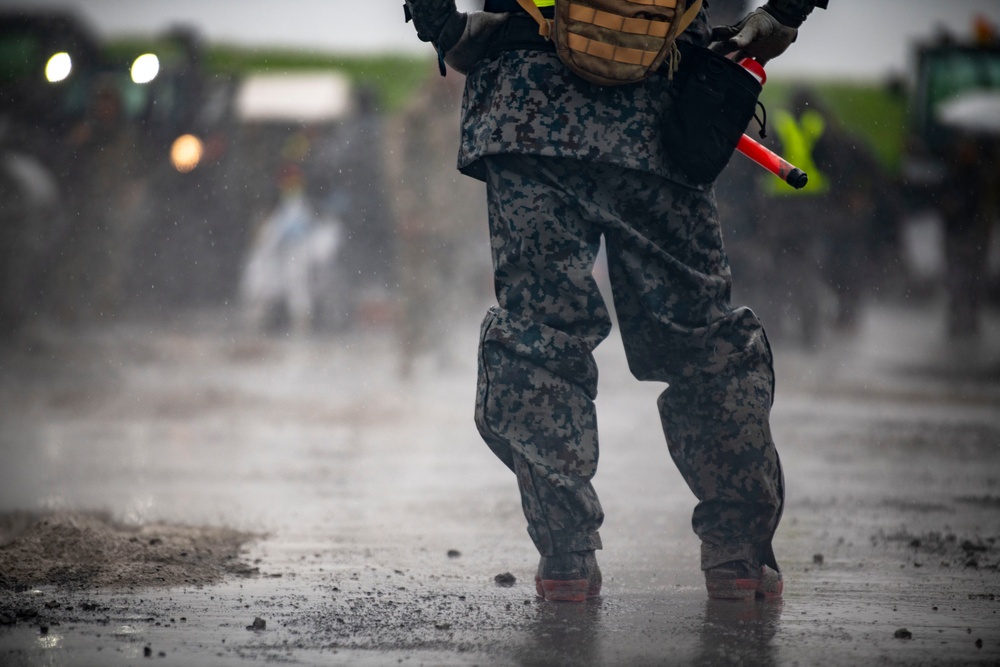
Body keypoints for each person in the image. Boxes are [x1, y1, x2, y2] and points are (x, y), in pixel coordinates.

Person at [404, 0, 828, 601]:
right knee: (701, 339)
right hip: (666, 107)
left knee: (540, 338)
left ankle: (566, 561)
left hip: (529, 103)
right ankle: (737, 559)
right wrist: (783, 13)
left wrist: (441, 26)